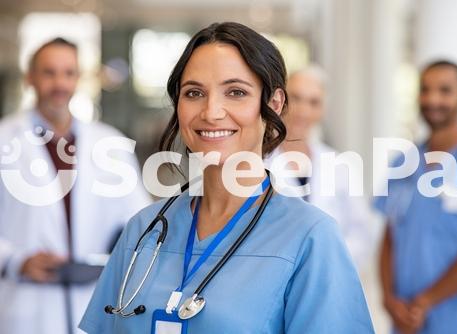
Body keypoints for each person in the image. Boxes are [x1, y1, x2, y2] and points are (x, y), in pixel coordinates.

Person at [79, 22, 374, 333]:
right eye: (194, 92)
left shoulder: (310, 237)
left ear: (273, 104)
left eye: (236, 92)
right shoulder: (144, 230)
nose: (211, 111)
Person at [0, 38, 151, 333]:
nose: (60, 83)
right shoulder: (4, 139)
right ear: (30, 77)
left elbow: (140, 219)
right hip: (25, 306)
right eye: (49, 72)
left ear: (78, 79)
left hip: (93, 301)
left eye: (68, 73)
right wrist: (14, 261)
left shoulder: (109, 143)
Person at [375, 60, 457, 333]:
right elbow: (389, 238)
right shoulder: (402, 164)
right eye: (425, 90)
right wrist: (388, 300)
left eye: (445, 90)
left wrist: (425, 302)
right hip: (405, 321)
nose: (433, 99)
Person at [267, 65, 376, 270]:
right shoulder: (258, 163)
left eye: (314, 102)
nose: (303, 110)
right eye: (296, 98)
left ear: (322, 109)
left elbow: (360, 232)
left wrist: (328, 263)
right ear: (279, 101)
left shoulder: (339, 165)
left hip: (331, 274)